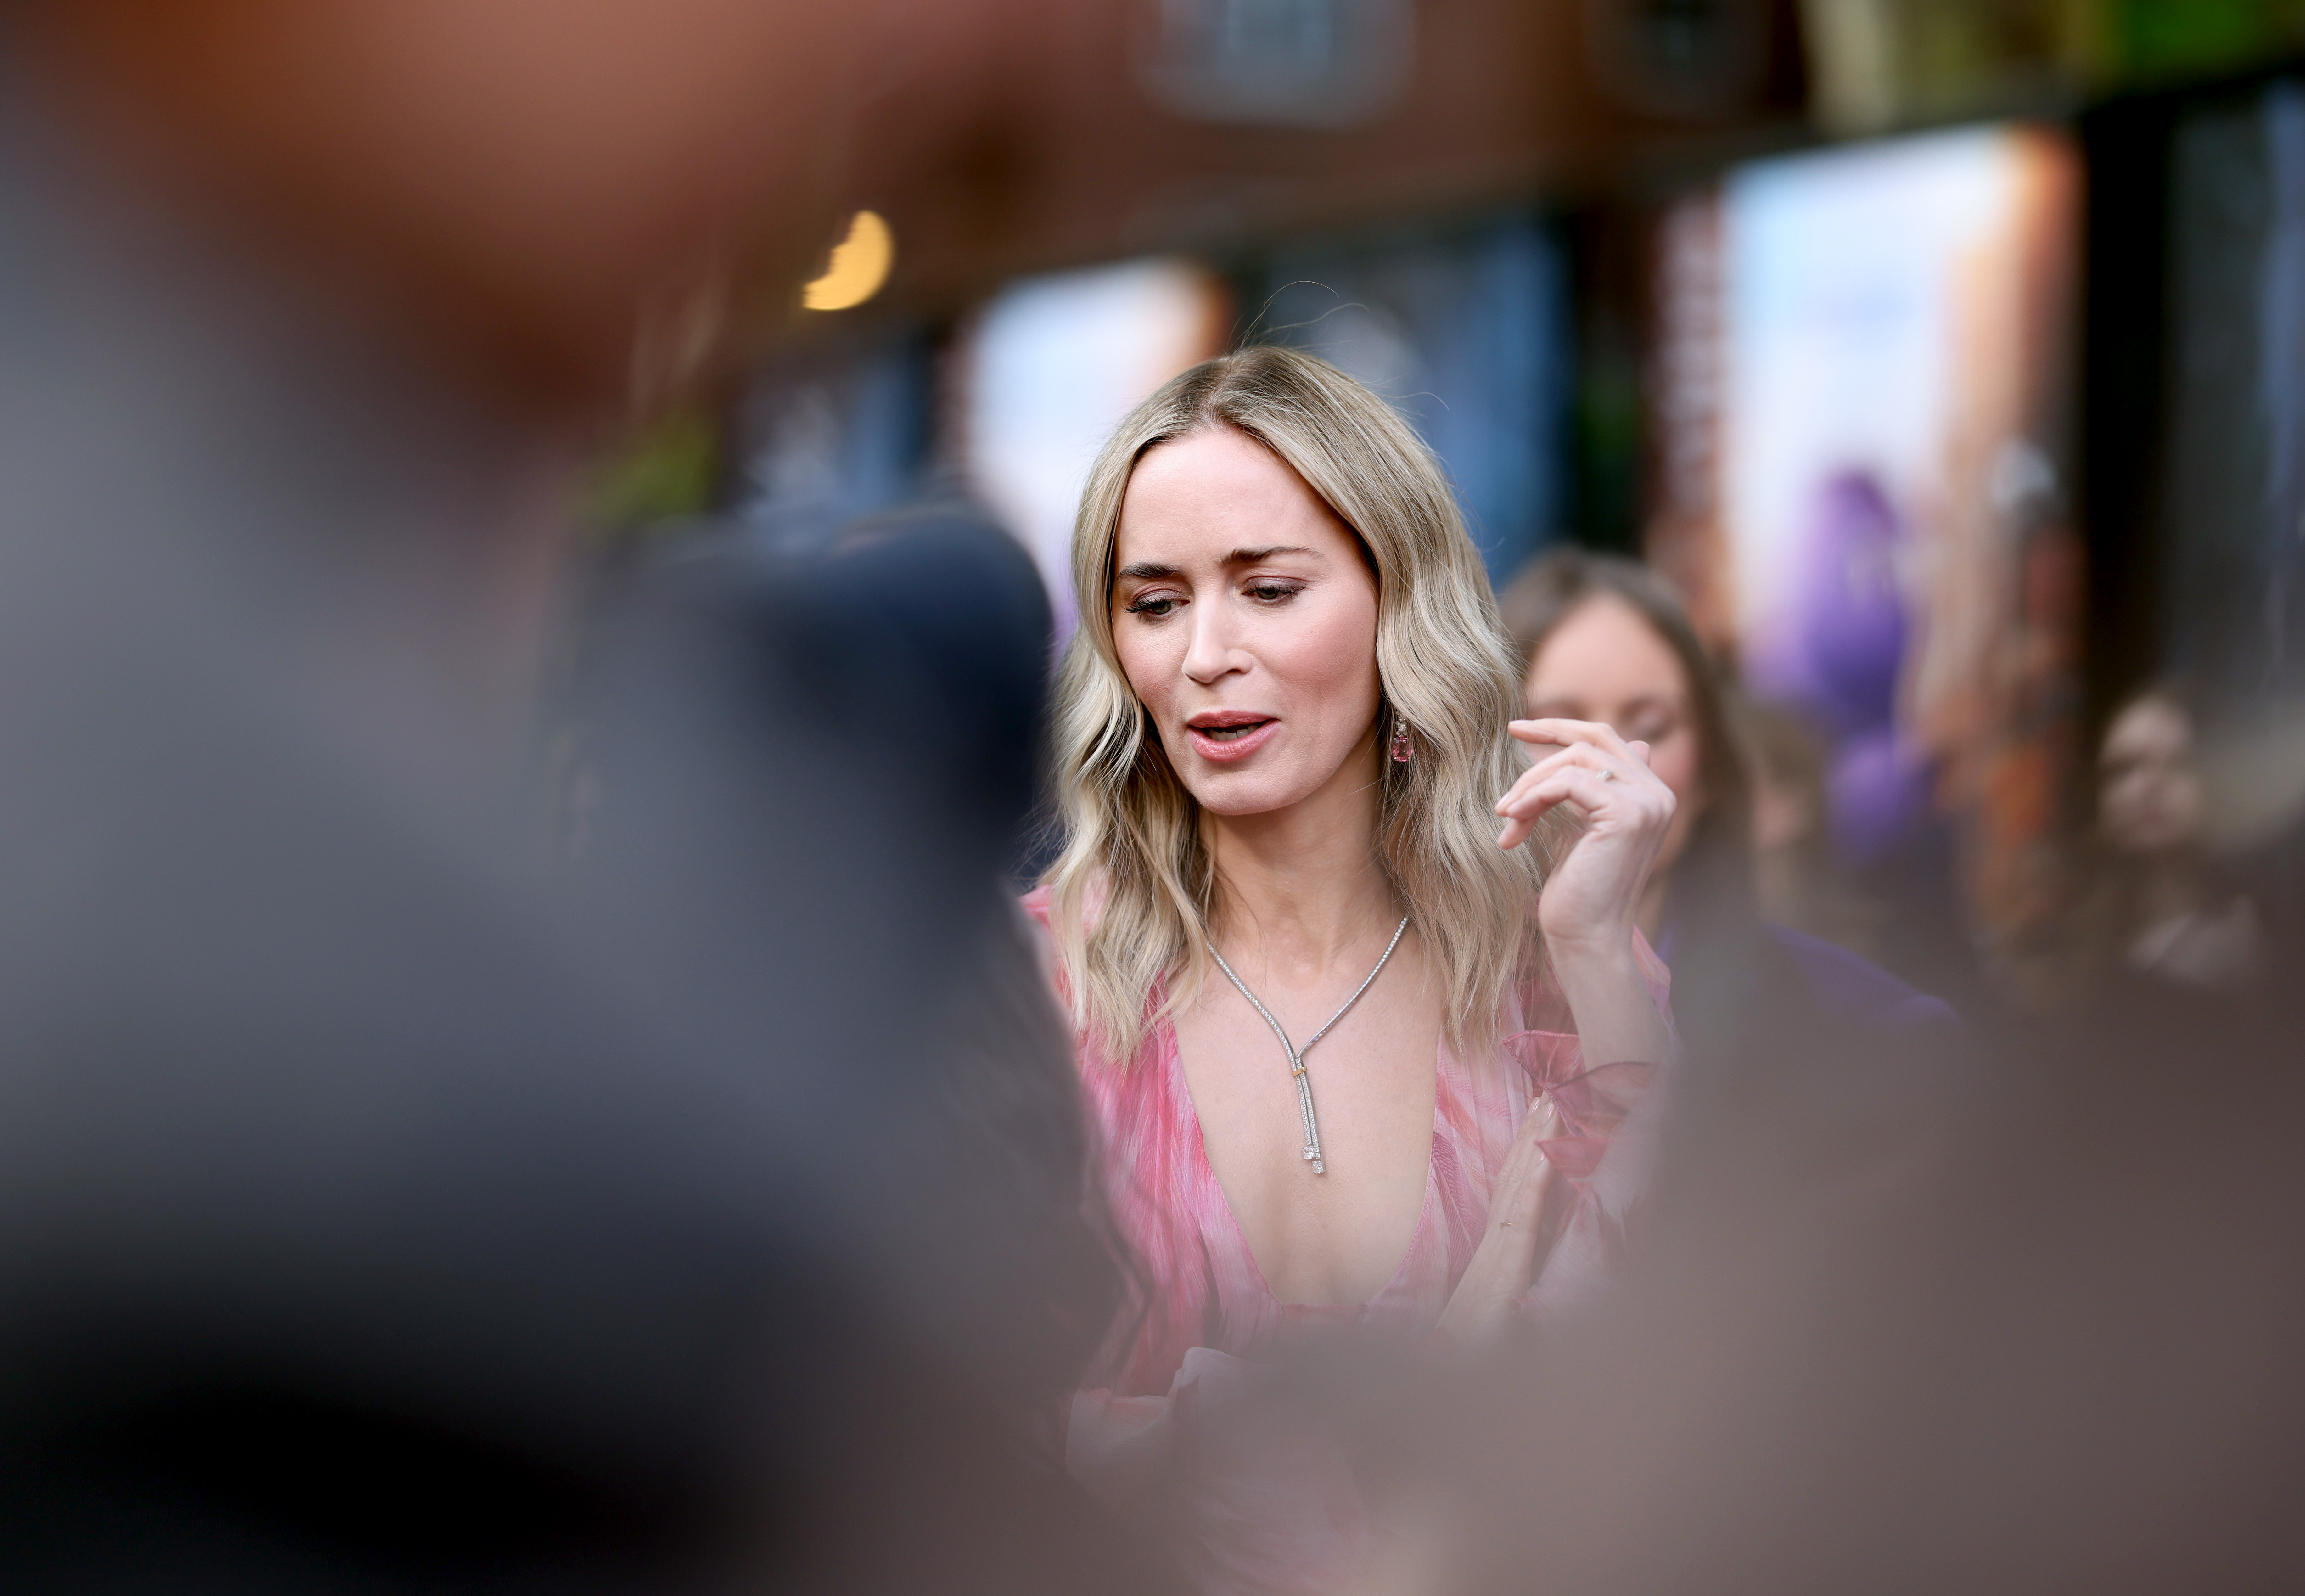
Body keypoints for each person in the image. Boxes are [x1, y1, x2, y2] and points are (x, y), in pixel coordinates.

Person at [1022, 346, 1679, 1592]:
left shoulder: (1556, 966)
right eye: (1154, 602)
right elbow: (947, 1433)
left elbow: (1674, 1363)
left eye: (1266, 588)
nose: (1205, 651)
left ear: (1396, 597)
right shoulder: (1038, 984)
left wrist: (1595, 948)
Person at [1498, 548, 1954, 1033]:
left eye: (1651, 727)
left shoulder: (1873, 1031)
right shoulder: (1425, 1011)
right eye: (1556, 731)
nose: (1602, 768)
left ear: (1710, 770)